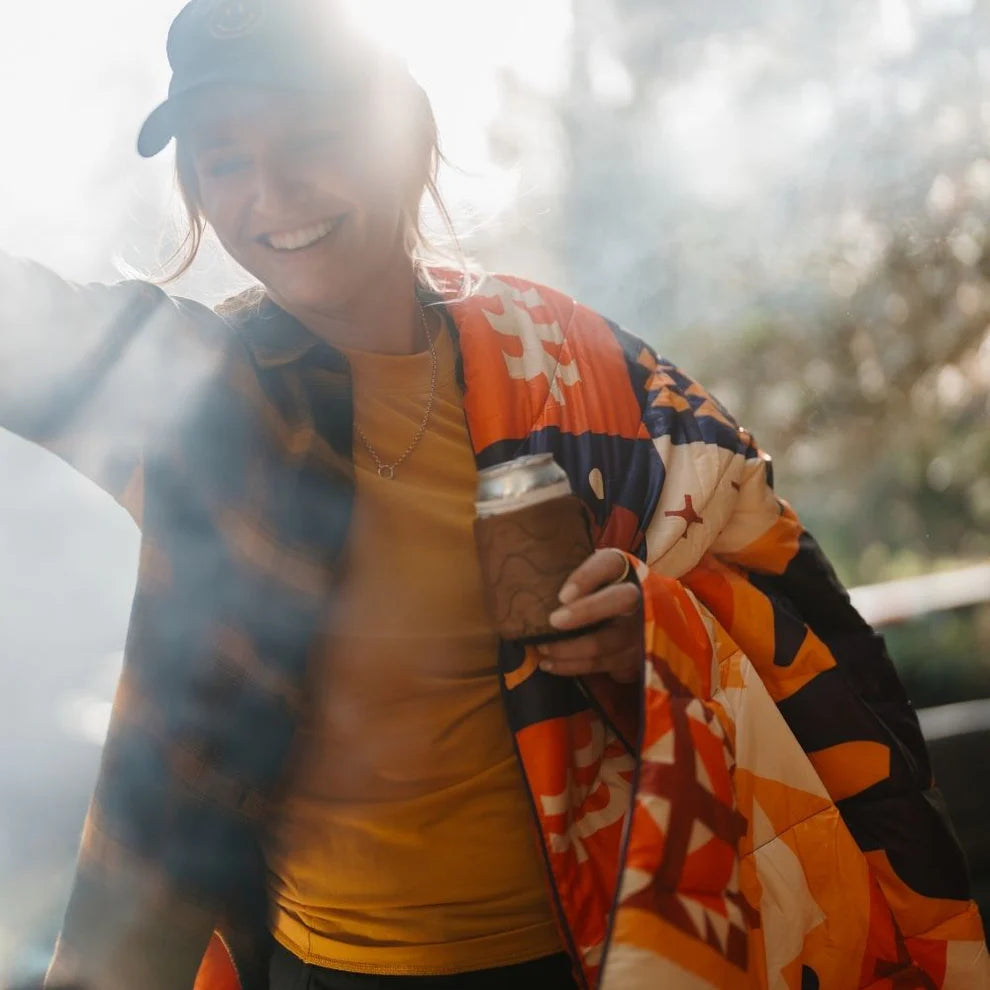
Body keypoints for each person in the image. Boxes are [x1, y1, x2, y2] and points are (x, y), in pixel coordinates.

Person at [1, 1, 985, 988]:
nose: (272, 193)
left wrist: (652, 629)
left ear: (403, 135)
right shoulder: (195, 395)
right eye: (226, 161)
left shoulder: (576, 368)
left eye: (314, 140)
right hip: (321, 970)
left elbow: (783, 605)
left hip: (596, 951)